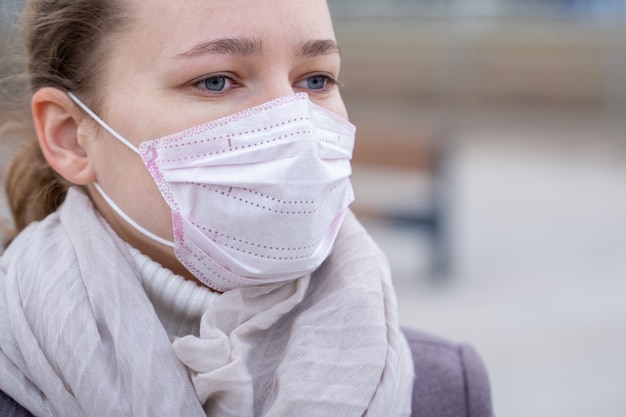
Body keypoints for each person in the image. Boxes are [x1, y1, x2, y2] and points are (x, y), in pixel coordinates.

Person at [0, 0, 415, 415]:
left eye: (316, 79)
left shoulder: (445, 384)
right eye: (215, 81)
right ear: (70, 136)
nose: (294, 123)